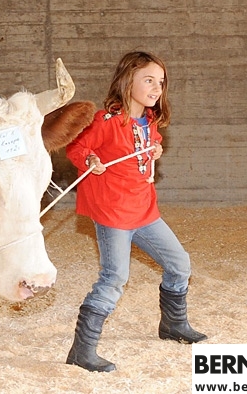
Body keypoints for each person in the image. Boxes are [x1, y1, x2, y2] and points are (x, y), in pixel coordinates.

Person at [64, 51, 207, 373]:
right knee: (115, 277)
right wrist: (89, 160)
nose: (157, 88)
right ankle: (82, 351)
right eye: (149, 80)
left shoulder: (150, 120)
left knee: (179, 264)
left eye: (161, 82)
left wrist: (155, 148)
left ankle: (173, 325)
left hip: (144, 210)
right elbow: (76, 146)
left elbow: (149, 142)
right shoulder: (104, 121)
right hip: (113, 212)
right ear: (128, 81)